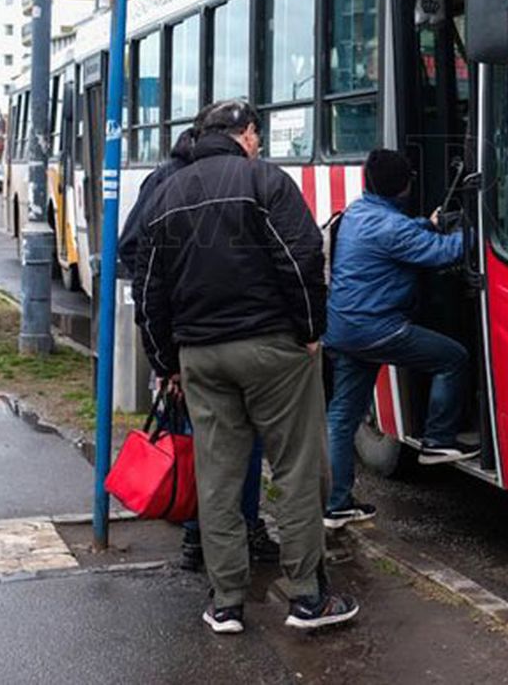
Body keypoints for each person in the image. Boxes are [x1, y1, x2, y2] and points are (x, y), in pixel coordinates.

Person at [134, 99, 356, 635]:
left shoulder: (165, 195)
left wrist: (167, 362)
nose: (258, 143)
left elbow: (149, 290)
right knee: (296, 471)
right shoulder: (265, 183)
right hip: (272, 349)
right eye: (256, 134)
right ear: (245, 134)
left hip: (200, 359)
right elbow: (302, 259)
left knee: (218, 476)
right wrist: (309, 331)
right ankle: (307, 598)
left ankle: (226, 601)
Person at [119, 125, 277, 574]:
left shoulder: (190, 180)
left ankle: (218, 533)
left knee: (222, 441)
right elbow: (136, 252)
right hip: (192, 341)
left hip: (200, 338)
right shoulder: (173, 181)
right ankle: (209, 535)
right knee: (216, 442)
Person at [322, 148, 476, 530]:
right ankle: (438, 439)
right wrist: (478, 232)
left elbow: (402, 233)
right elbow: (446, 253)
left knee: (342, 418)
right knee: (452, 359)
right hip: (377, 329)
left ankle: (336, 505)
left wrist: (430, 222)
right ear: (403, 186)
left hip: (342, 328)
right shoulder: (392, 227)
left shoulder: (361, 212)